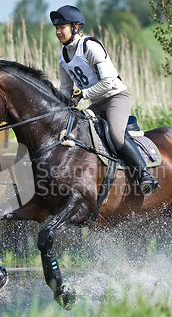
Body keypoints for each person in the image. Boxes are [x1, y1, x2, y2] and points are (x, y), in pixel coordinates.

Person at [50, 5, 160, 195]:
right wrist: (59, 106)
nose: (58, 32)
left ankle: (145, 176)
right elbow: (66, 89)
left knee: (116, 135)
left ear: (75, 27)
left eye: (62, 27)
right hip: (97, 104)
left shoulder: (90, 47)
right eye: (56, 28)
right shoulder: (63, 57)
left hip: (116, 97)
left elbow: (109, 82)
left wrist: (82, 94)